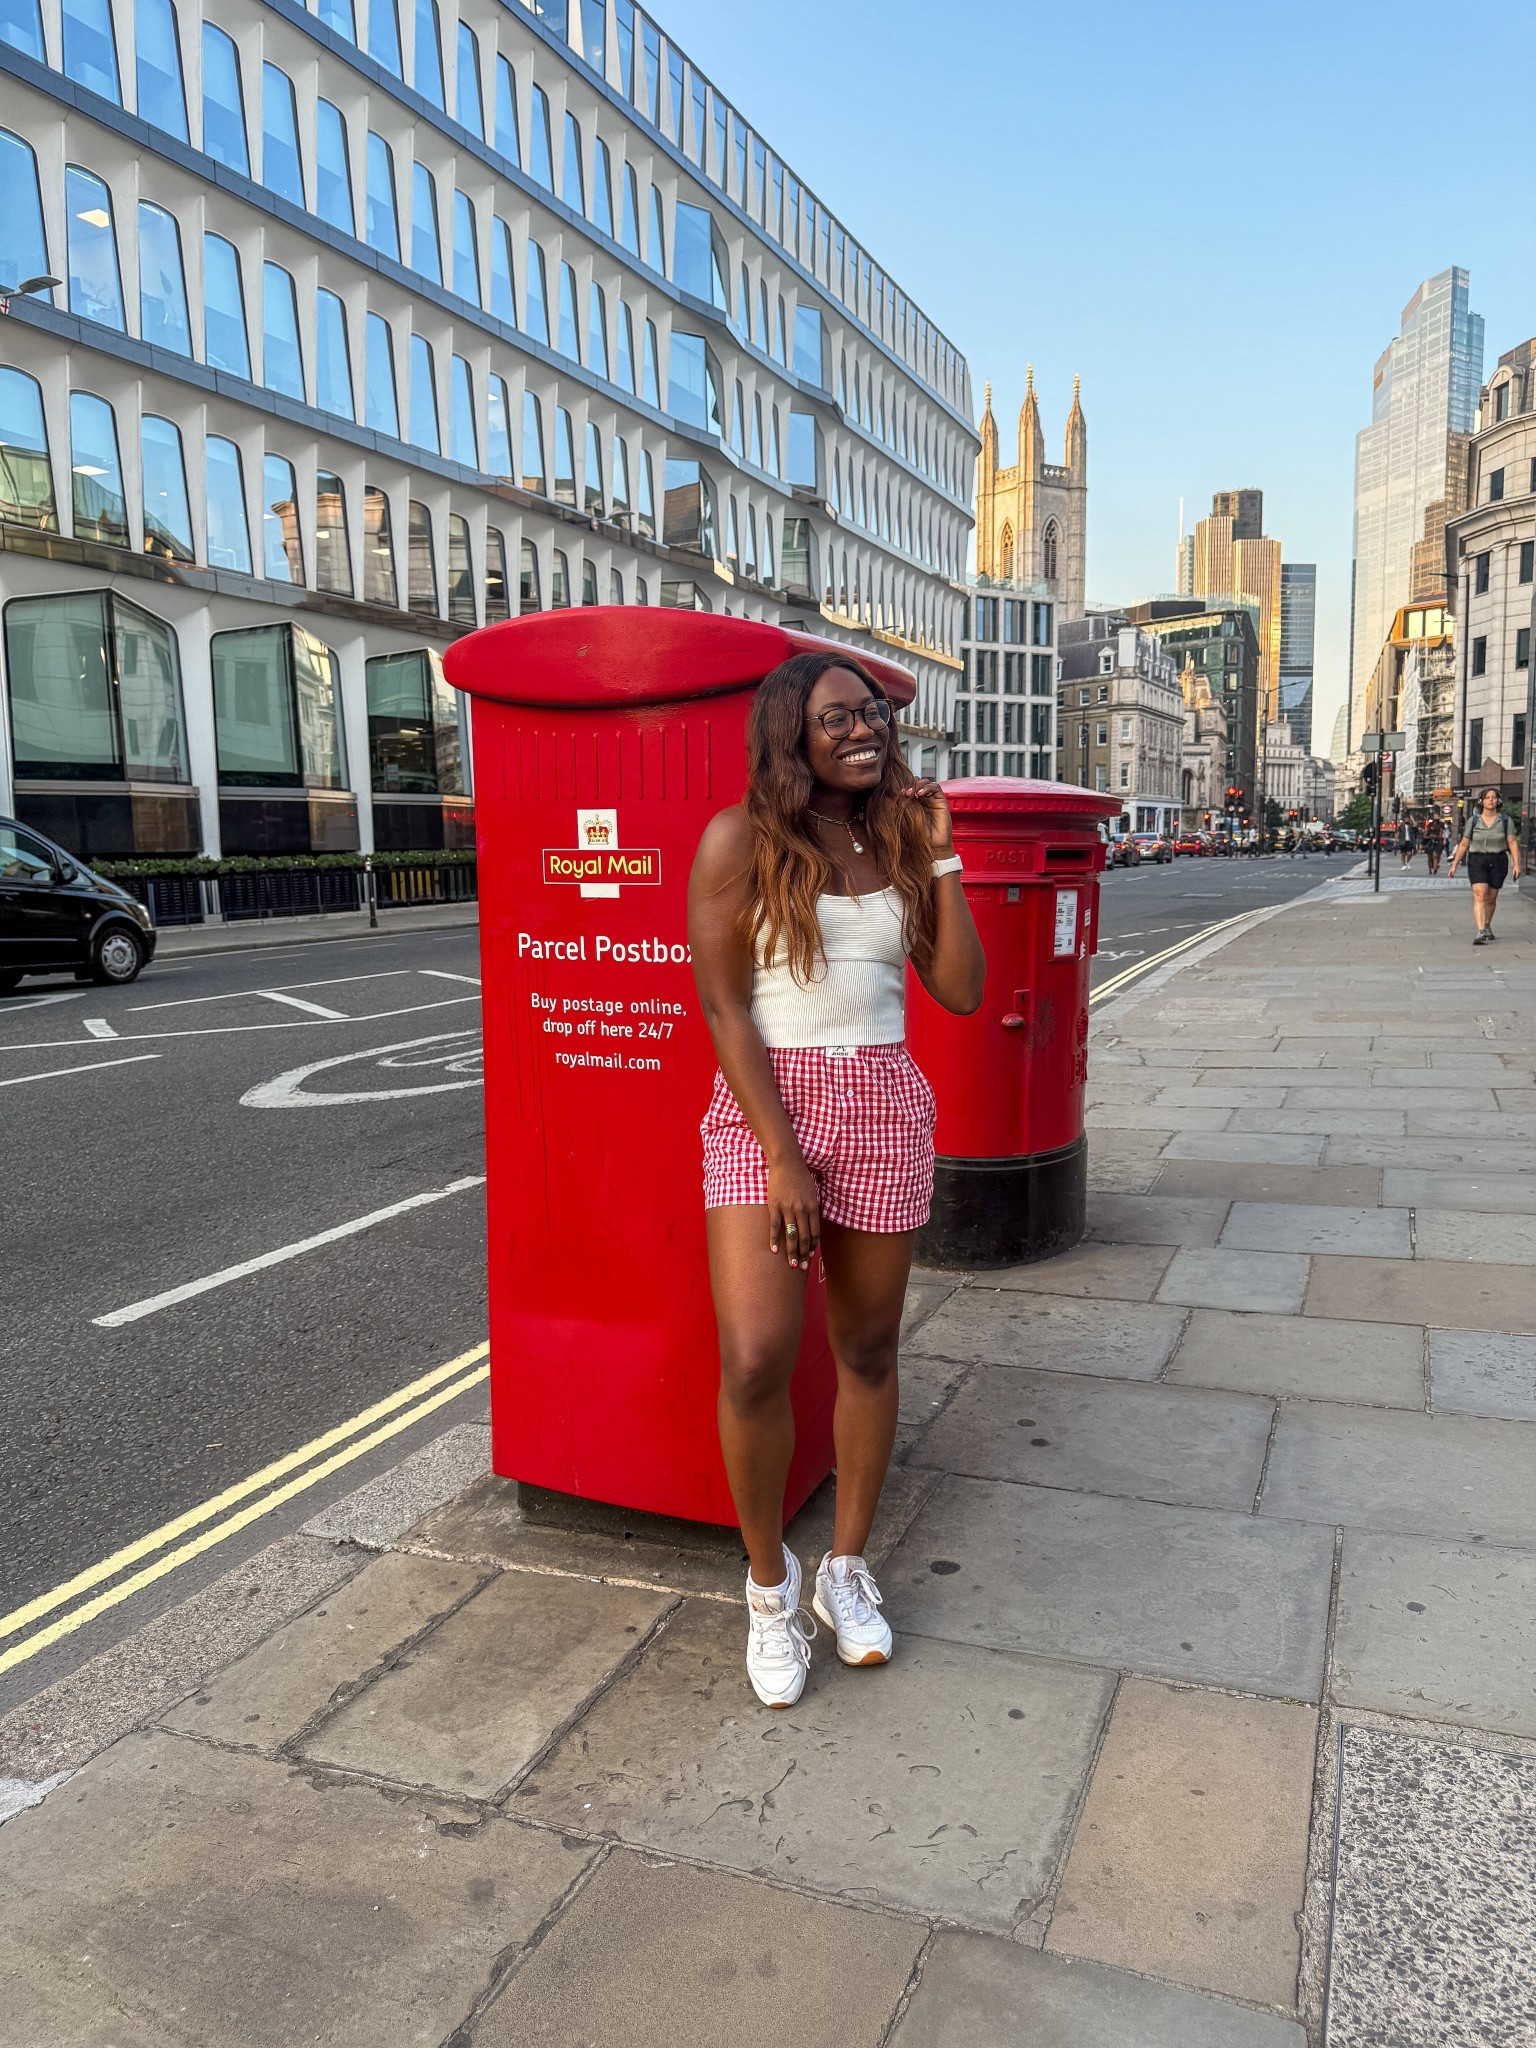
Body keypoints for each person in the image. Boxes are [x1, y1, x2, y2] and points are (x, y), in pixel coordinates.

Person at [688, 653, 985, 1708]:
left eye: (870, 714)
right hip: (771, 1111)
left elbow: (957, 987)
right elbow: (728, 1009)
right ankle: (770, 1587)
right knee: (759, 1354)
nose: (862, 729)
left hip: (882, 1102)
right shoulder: (739, 840)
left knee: (866, 1347)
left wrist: (942, 857)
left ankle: (845, 1567)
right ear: (791, 736)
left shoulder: (897, 836)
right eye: (836, 717)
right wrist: (779, 1152)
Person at [1448, 787, 1522, 943]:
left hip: (1498, 859)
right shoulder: (1473, 821)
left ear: (1498, 801)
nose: (1491, 800)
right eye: (1487, 797)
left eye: (1494, 798)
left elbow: (1512, 842)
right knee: (1480, 894)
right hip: (1477, 859)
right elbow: (1464, 843)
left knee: (1491, 897)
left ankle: (1487, 925)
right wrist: (1454, 864)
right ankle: (1481, 930)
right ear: (1482, 801)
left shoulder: (1505, 820)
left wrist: (1517, 864)